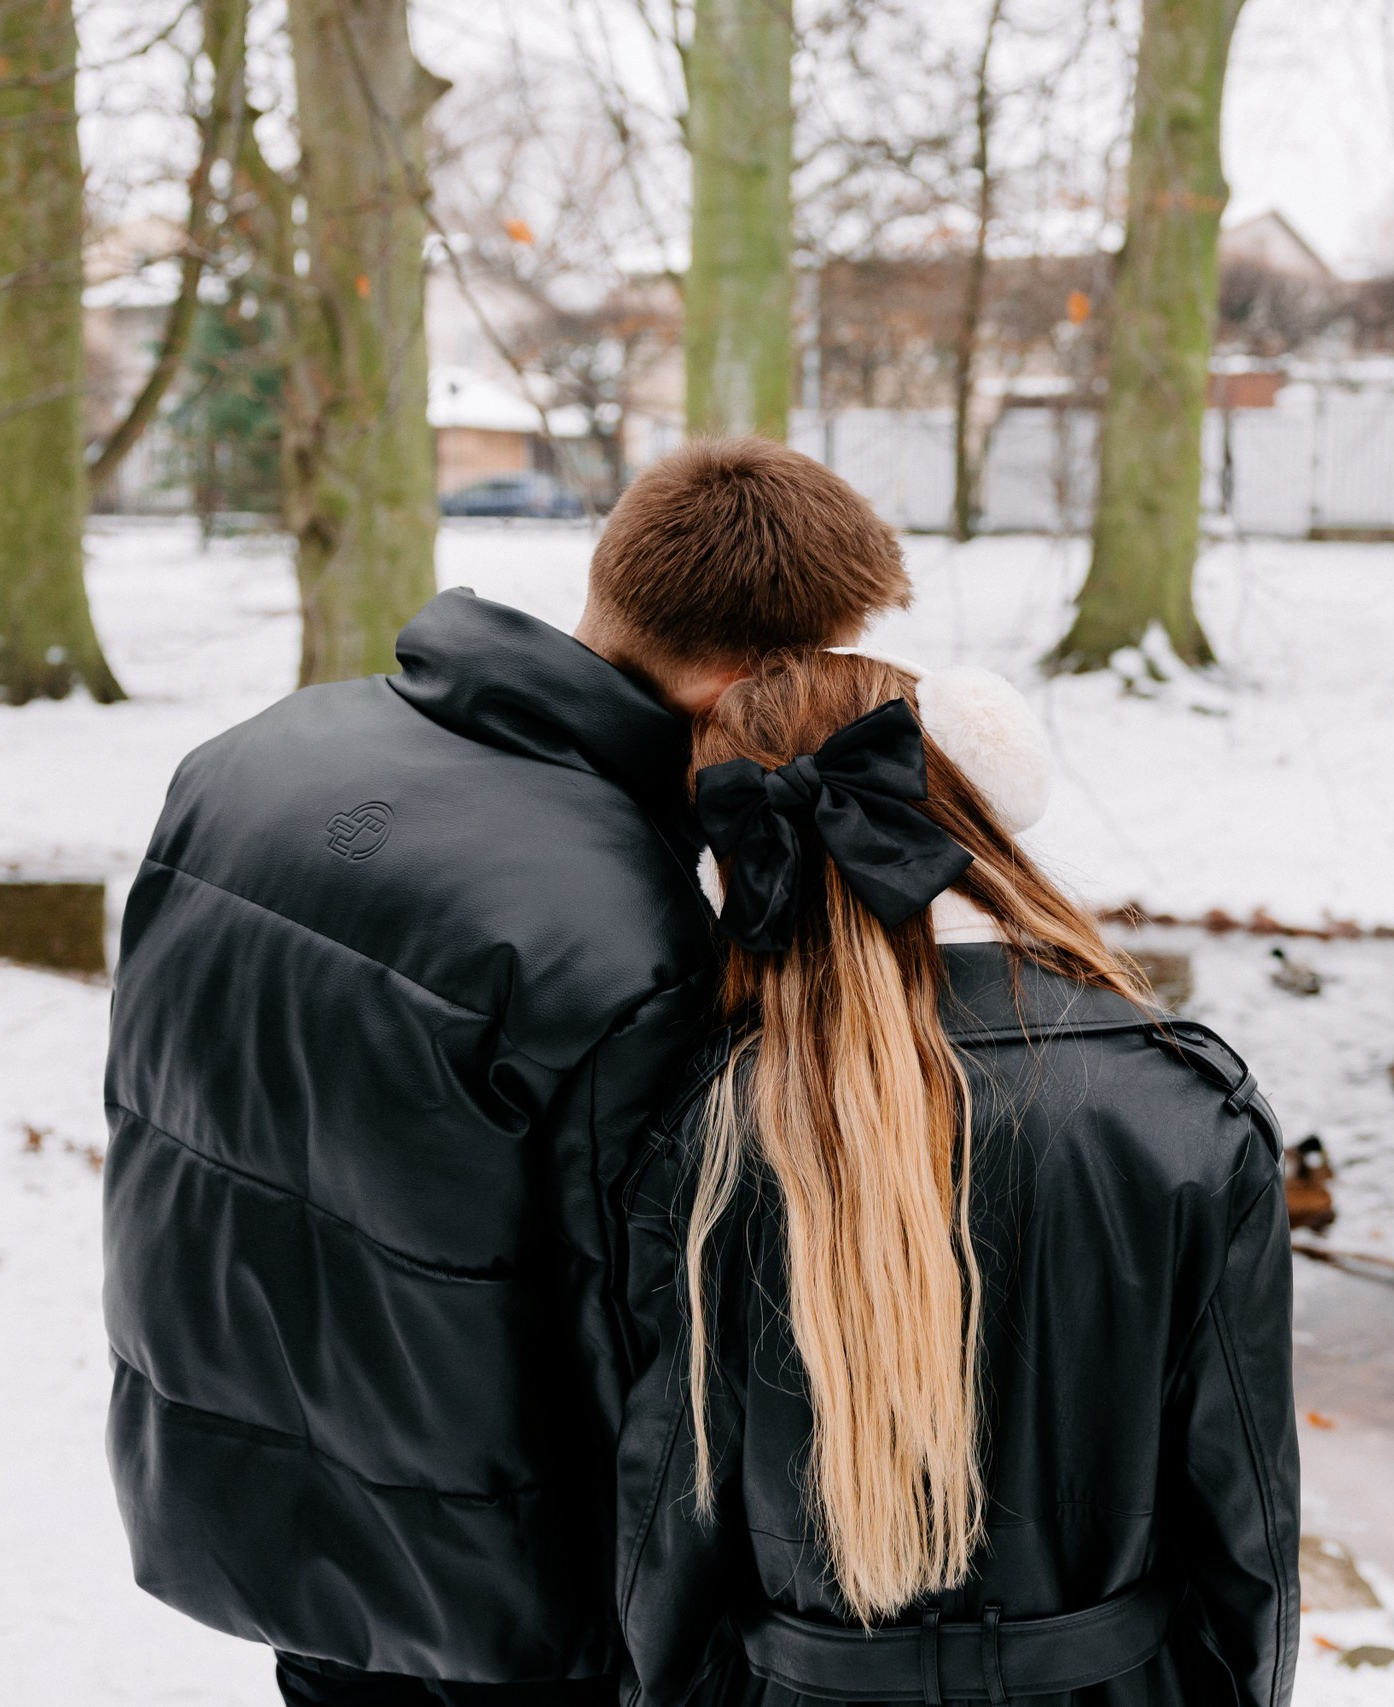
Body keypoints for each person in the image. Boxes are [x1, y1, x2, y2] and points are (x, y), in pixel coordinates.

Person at [101, 440, 914, 1705]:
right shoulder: (627, 931)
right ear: (751, 681)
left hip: (255, 1503)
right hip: (492, 1589)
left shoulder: (247, 758)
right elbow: (639, 1333)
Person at [612, 650, 1299, 1707]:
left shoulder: (710, 1132)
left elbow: (670, 1511)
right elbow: (1246, 1514)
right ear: (980, 805)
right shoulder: (1186, 1115)